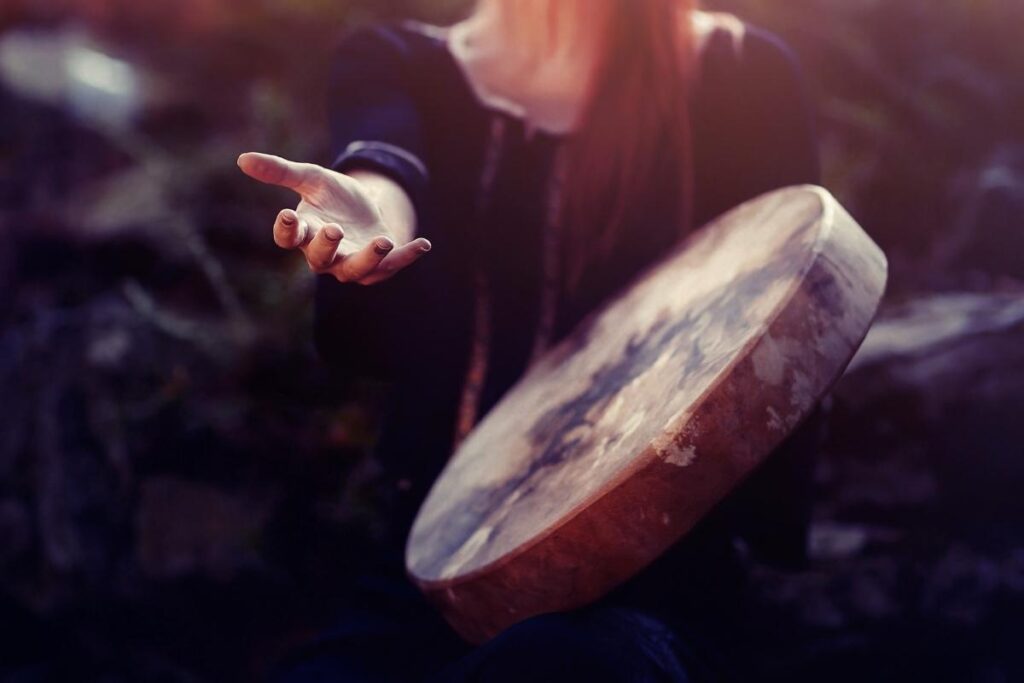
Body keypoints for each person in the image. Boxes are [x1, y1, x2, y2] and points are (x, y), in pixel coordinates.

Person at [239, 1, 821, 680]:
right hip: (429, 583)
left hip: (654, 592)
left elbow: (787, 316)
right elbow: (385, 172)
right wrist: (372, 222)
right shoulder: (398, 63)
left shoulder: (744, 77)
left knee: (560, 662)